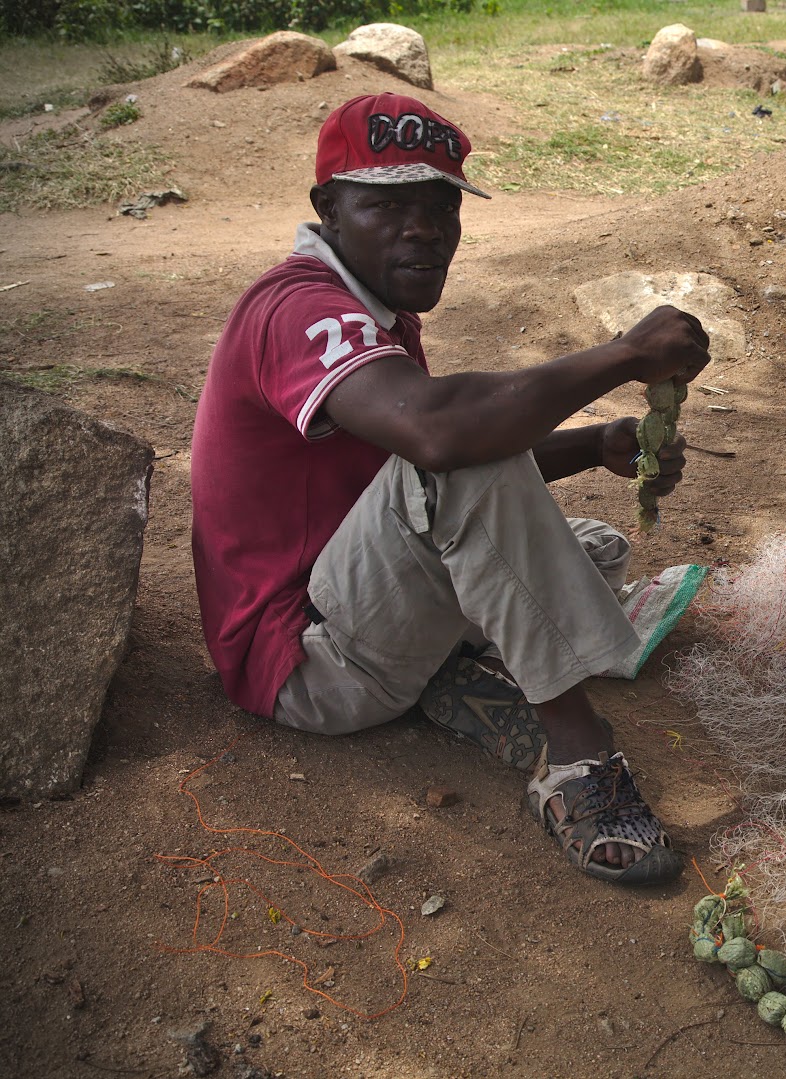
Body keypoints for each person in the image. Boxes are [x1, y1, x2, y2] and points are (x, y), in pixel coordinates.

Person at [190, 93, 710, 885]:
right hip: (304, 661)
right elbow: (443, 444)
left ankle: (470, 662)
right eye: (387, 204)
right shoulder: (296, 308)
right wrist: (624, 355)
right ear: (327, 208)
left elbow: (439, 465)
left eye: (441, 205)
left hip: (352, 601)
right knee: (470, 456)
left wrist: (593, 446)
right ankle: (577, 755)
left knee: (591, 548)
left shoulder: (370, 308)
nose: (424, 227)